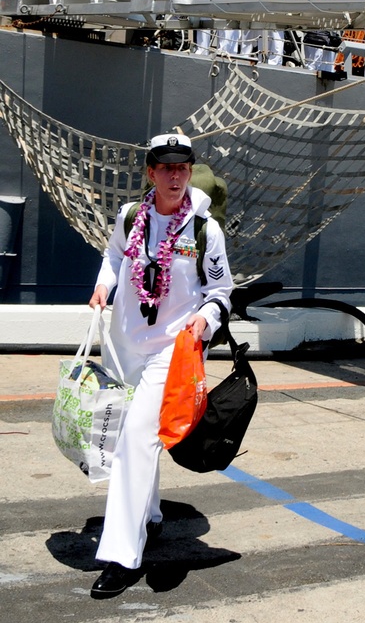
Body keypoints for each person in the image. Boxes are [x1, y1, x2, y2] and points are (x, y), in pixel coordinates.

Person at [87, 132, 232, 599]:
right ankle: (148, 514)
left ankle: (121, 555)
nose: (175, 176)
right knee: (132, 435)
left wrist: (203, 319)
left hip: (172, 350)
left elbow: (221, 294)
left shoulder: (204, 229)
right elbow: (113, 256)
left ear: (190, 171)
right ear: (151, 173)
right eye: (166, 168)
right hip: (126, 342)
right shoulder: (131, 216)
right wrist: (103, 285)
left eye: (183, 168)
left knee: (134, 441)